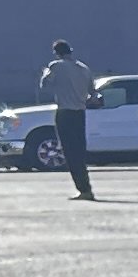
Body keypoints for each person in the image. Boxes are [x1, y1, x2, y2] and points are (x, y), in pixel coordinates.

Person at [35, 37, 95, 199]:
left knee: (69, 151)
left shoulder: (56, 66)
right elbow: (92, 92)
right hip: (80, 113)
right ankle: (86, 187)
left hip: (65, 112)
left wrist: (45, 73)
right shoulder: (84, 68)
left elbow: (44, 85)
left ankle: (83, 189)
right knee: (79, 151)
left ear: (56, 53)